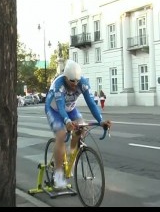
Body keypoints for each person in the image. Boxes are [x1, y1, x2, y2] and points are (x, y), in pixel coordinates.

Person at [45, 59, 112, 188]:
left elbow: (91, 104)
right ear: (65, 77)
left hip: (70, 109)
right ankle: (58, 175)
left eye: (77, 81)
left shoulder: (83, 83)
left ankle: (71, 154)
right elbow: (60, 106)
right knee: (61, 134)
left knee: (82, 127)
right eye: (72, 81)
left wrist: (101, 121)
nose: (75, 84)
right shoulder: (59, 85)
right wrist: (67, 121)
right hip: (54, 110)